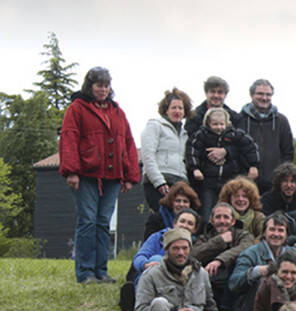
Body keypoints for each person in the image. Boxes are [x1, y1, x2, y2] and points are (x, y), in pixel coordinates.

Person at [60, 66, 140, 284]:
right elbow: (69, 139)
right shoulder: (77, 109)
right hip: (86, 174)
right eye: (99, 85)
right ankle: (85, 272)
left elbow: (128, 143)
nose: (103, 89)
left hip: (113, 177)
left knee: (103, 222)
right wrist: (71, 171)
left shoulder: (117, 111)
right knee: (87, 221)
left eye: (106, 85)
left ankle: (101, 271)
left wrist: (129, 176)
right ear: (90, 86)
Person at [186, 107, 260, 223]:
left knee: (230, 213)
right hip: (208, 181)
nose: (219, 127)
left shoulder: (235, 135)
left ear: (227, 123)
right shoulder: (201, 135)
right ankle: (207, 232)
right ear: (208, 123)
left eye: (222, 124)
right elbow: (193, 151)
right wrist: (195, 168)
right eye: (215, 124)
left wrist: (253, 165)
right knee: (207, 212)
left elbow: (250, 147)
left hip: (229, 180)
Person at [191, 202, 255, 311]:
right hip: (210, 283)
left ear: (233, 221)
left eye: (226, 217)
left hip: (233, 287)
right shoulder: (204, 237)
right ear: (212, 220)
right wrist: (219, 241)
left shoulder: (243, 235)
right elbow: (194, 254)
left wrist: (219, 260)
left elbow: (246, 248)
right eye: (218, 217)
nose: (222, 221)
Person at [237, 79, 293, 195]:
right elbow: (235, 150)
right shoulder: (239, 119)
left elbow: (288, 152)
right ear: (251, 95)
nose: (264, 98)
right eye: (260, 94)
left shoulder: (281, 121)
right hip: (245, 183)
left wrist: (280, 176)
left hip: (273, 185)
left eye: (268, 95)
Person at [141, 88, 192, 211]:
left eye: (180, 108)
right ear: (166, 110)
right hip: (159, 181)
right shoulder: (155, 126)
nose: (177, 111)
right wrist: (159, 182)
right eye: (173, 107)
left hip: (180, 181)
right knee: (161, 218)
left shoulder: (185, 134)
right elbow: (148, 156)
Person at [132, 208, 200, 288]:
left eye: (190, 223)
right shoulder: (158, 237)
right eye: (182, 221)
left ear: (195, 229)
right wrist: (146, 264)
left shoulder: (198, 243)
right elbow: (139, 257)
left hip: (182, 280)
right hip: (154, 275)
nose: (185, 225)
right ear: (174, 223)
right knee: (156, 259)